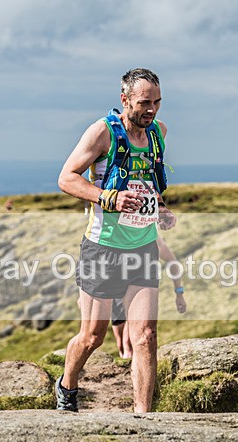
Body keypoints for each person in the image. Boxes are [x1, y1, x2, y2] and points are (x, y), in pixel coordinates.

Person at [56, 68, 176, 413]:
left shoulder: (159, 133)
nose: (151, 109)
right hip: (103, 248)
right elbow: (66, 178)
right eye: (144, 103)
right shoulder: (102, 133)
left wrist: (160, 209)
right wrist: (108, 197)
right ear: (125, 99)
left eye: (157, 102)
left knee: (146, 337)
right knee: (92, 337)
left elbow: (148, 183)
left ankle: (143, 417)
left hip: (143, 247)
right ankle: (67, 386)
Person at [113, 236, 187, 359]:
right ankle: (125, 363)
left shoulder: (154, 238)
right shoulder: (117, 234)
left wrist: (179, 293)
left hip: (139, 290)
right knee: (120, 343)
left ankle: (134, 365)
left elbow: (172, 262)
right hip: (115, 290)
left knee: (129, 341)